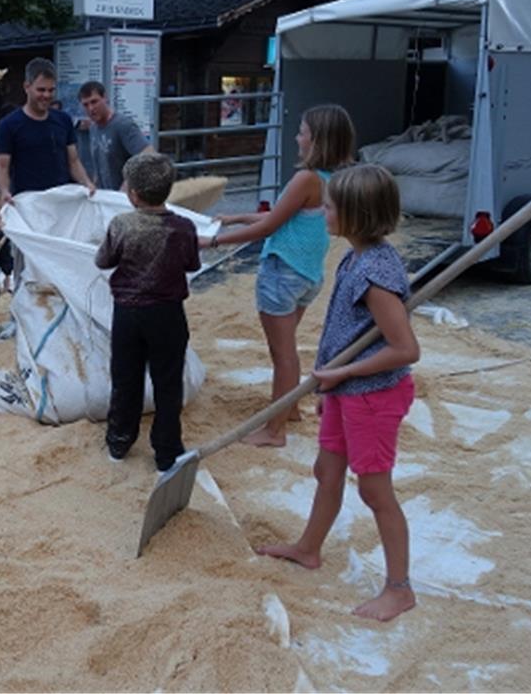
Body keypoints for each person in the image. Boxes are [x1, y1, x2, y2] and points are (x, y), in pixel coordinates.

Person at [257, 164, 420, 623]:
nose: (322, 210)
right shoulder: (354, 257)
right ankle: (309, 548)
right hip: (346, 390)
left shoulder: (376, 273)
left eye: (329, 206)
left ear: (356, 214)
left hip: (372, 396)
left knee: (375, 491)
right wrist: (335, 382)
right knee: (326, 469)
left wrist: (344, 372)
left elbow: (406, 348)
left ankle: (399, 588)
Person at [202, 104, 356, 447]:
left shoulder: (306, 178)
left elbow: (270, 226)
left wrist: (214, 241)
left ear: (316, 141)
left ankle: (274, 431)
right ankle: (291, 408)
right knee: (287, 350)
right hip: (307, 276)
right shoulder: (333, 179)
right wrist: (237, 218)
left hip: (282, 273)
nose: (296, 137)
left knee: (282, 353)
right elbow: (283, 218)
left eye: (302, 132)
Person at [95, 153, 202, 473]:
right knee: (168, 382)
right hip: (168, 314)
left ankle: (119, 439)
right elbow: (192, 264)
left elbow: (103, 261)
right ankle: (167, 451)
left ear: (133, 194)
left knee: (125, 378)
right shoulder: (183, 227)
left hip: (128, 313)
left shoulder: (121, 225)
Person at [0, 57, 97, 204]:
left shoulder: (64, 120)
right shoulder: (8, 125)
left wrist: (87, 183)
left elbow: (73, 161)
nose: (47, 95)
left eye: (51, 90)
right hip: (28, 203)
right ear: (27, 87)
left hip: (62, 201)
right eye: (41, 90)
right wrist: (4, 191)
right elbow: (2, 168)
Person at [77, 81, 154, 191]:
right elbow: (99, 165)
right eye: (86, 104)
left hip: (124, 199)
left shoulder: (122, 125)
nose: (91, 108)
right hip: (106, 197)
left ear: (105, 98)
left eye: (94, 102)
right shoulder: (93, 128)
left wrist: (127, 184)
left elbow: (149, 154)